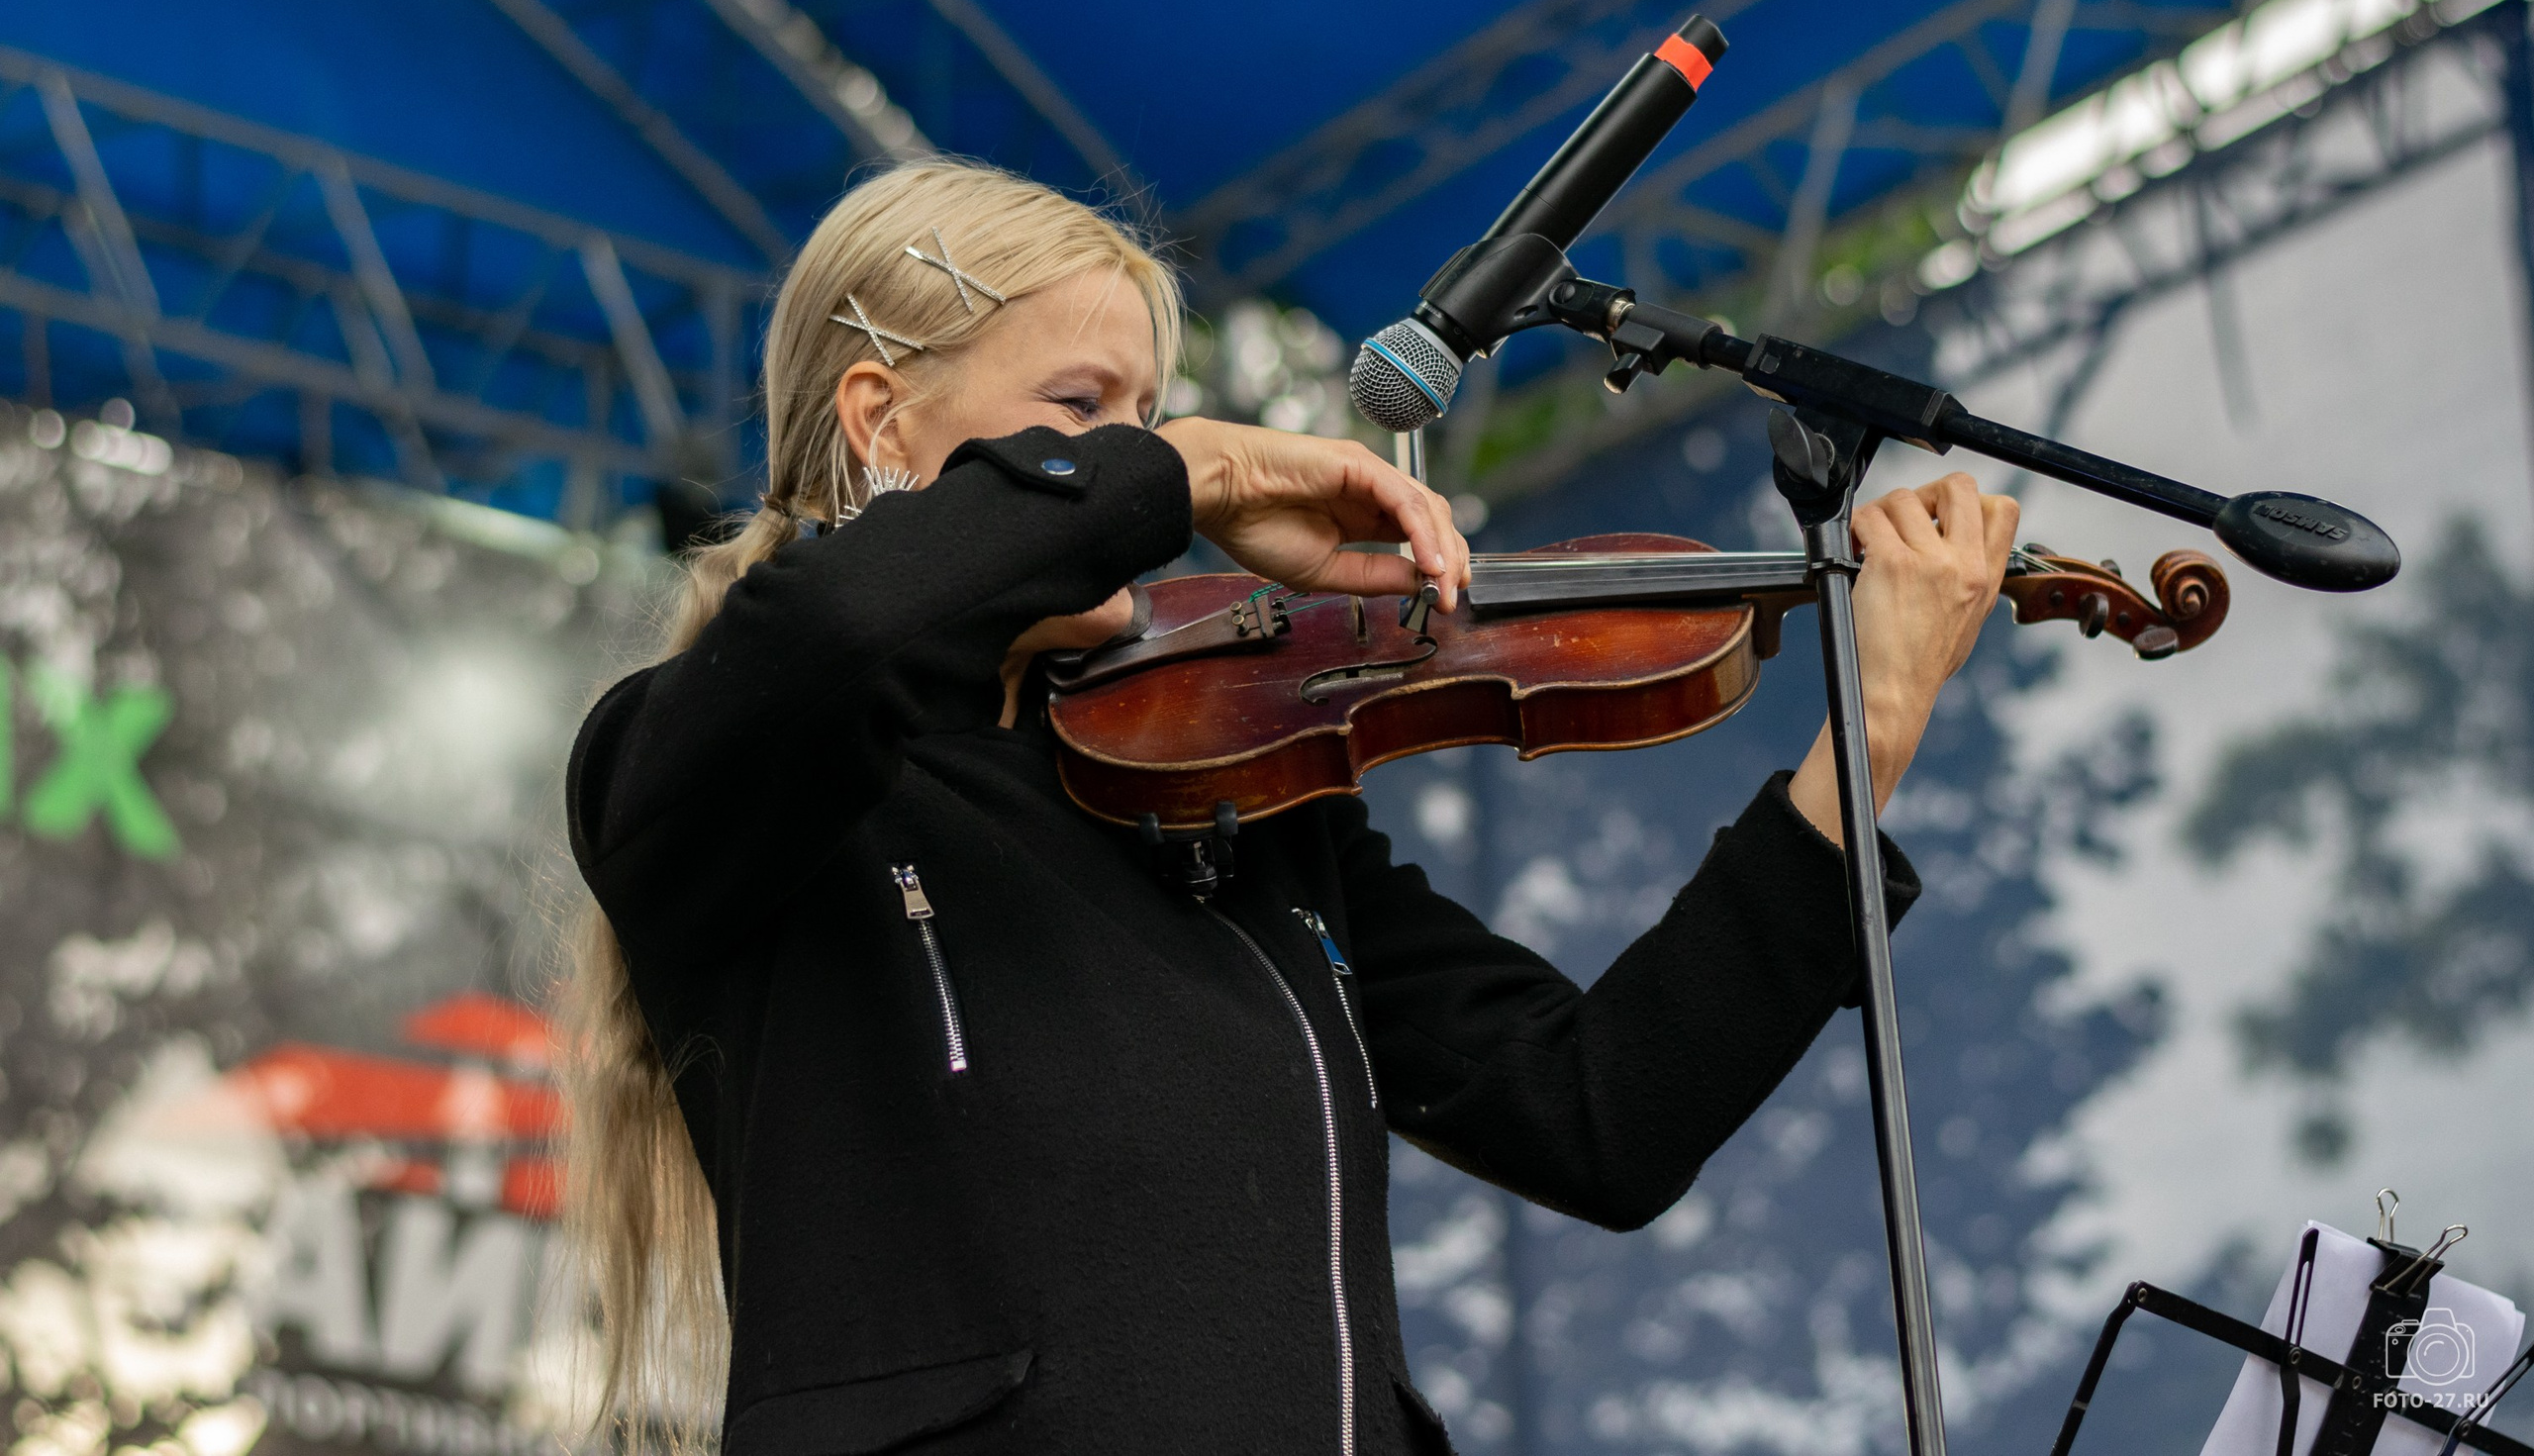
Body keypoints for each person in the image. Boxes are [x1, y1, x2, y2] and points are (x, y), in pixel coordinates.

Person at [560, 159, 2017, 1456]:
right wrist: (1196, 462)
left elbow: (1598, 1118)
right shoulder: (714, 766)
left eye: (1147, 416)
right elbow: (835, 637)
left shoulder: (1232, 797)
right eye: (1082, 417)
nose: (1136, 469)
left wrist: (1872, 726)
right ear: (880, 423)